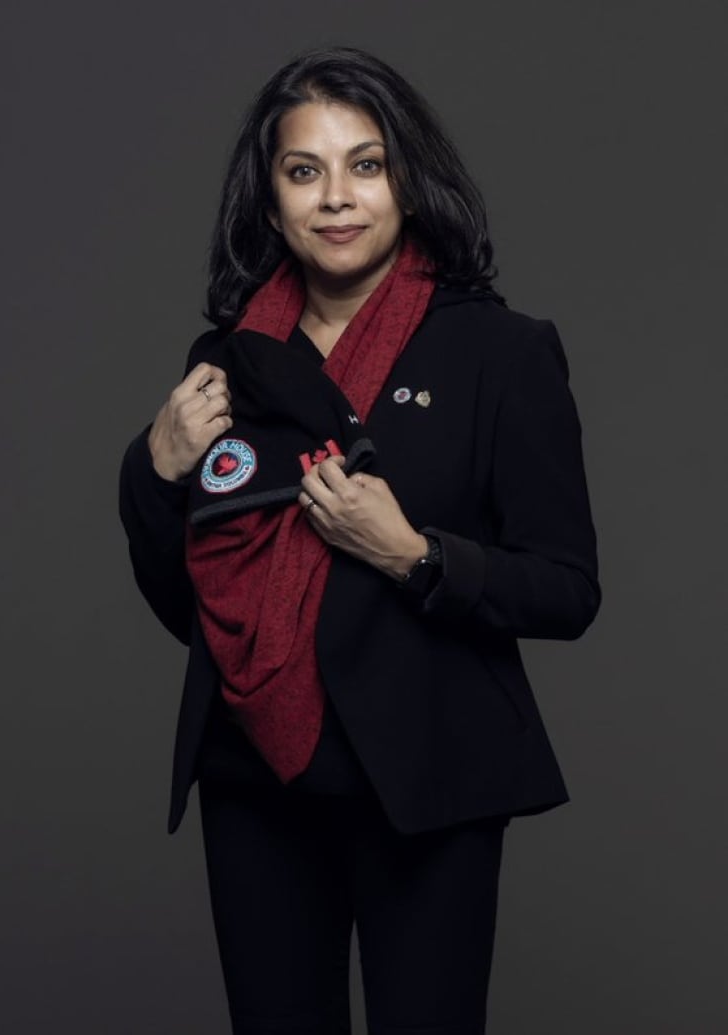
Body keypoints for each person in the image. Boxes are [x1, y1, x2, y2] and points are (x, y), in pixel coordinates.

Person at [119, 45, 600, 1035]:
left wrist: (414, 554)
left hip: (427, 777)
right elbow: (195, 603)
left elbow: (566, 588)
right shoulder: (230, 360)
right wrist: (154, 470)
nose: (336, 198)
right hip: (254, 777)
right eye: (305, 171)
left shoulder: (500, 353)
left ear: (409, 181)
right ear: (269, 198)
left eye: (366, 164)